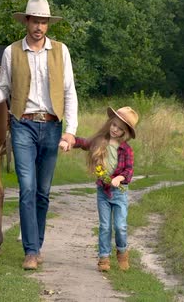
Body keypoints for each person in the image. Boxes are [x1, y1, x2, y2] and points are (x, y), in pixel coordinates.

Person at [0, 0, 78, 270]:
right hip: (22, 124)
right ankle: (31, 251)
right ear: (26, 21)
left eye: (43, 21)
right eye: (35, 20)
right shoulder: (12, 52)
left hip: (51, 126)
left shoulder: (61, 52)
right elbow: (4, 90)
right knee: (27, 188)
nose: (39, 26)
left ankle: (37, 243)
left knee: (43, 192)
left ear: (48, 24)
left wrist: (70, 131)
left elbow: (70, 93)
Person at [59, 106, 138, 272]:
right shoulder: (101, 141)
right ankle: (104, 257)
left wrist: (119, 178)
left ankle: (122, 253)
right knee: (104, 226)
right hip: (103, 192)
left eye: (120, 128)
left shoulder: (126, 150)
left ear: (126, 132)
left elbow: (129, 170)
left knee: (120, 226)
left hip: (119, 193)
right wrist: (69, 141)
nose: (115, 129)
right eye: (114, 125)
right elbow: (83, 143)